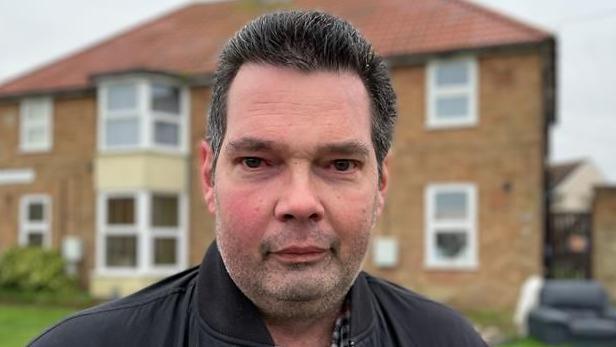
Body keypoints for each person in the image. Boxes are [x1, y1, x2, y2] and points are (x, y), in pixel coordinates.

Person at [30, 11, 487, 347]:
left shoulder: (447, 339)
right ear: (209, 177)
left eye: (340, 164)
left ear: (381, 185)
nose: (300, 201)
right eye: (256, 161)